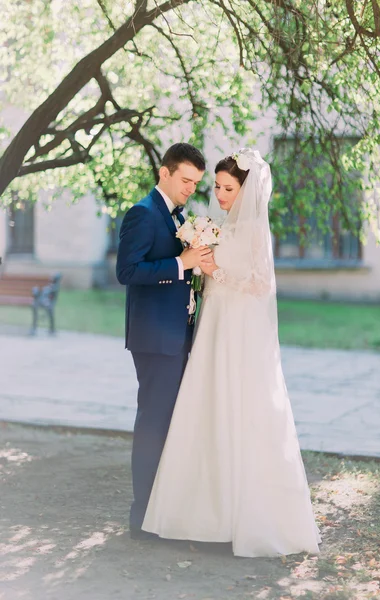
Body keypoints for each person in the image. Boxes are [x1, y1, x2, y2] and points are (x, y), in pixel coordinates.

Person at [142, 148, 321, 557]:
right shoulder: (217, 227)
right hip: (213, 329)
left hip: (240, 332)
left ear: (247, 189)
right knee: (206, 408)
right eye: (217, 188)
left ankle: (246, 516)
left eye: (228, 188)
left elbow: (258, 284)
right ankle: (200, 516)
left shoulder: (257, 230)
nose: (220, 196)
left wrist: (212, 270)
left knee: (243, 408)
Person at [116, 143, 212, 538]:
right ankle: (141, 516)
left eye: (196, 183)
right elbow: (127, 271)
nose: (191, 188)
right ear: (165, 173)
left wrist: (197, 269)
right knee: (153, 423)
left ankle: (162, 509)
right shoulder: (142, 213)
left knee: (171, 423)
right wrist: (180, 264)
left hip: (178, 335)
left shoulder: (180, 216)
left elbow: (179, 277)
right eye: (186, 180)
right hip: (154, 339)